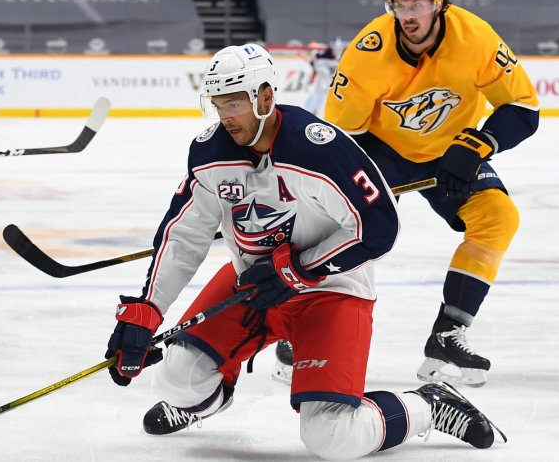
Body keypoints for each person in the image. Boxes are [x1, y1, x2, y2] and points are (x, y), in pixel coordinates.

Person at [104, 43, 503, 459]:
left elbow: (380, 227)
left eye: (235, 102)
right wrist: (147, 311)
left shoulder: (319, 149)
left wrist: (298, 269)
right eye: (218, 102)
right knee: (175, 379)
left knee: (333, 436)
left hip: (331, 291)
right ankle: (205, 401)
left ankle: (429, 404)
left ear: (265, 96)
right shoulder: (210, 153)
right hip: (254, 287)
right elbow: (183, 236)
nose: (225, 116)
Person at [320, 0, 539, 388]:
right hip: (380, 151)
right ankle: (308, 331)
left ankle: (447, 334)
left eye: (417, 4)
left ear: (440, 1)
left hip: (450, 153)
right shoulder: (367, 53)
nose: (407, 15)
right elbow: (340, 138)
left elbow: (523, 108)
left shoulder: (476, 38)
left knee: (498, 217)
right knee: (347, 230)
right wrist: (355, 195)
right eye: (398, 5)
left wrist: (478, 144)